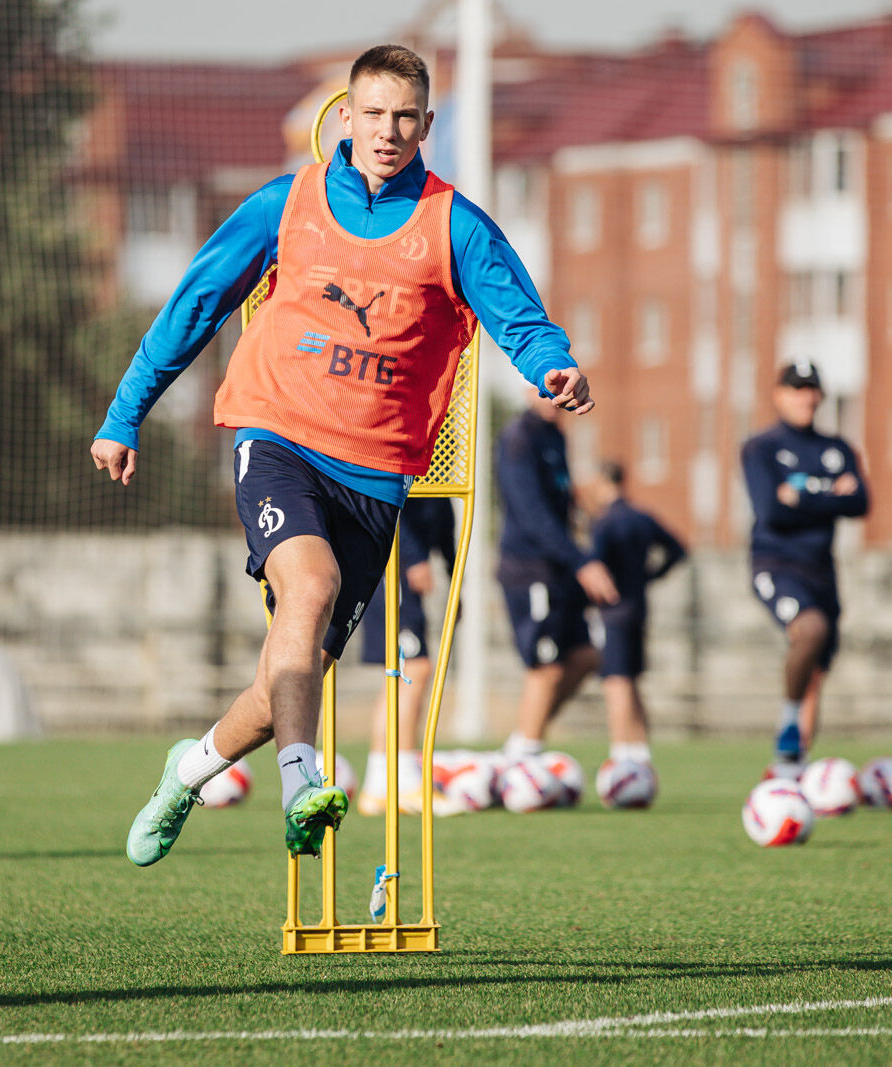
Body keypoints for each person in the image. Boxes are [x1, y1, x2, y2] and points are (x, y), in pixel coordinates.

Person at [91, 45, 595, 867]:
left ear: (427, 124)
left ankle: (188, 772)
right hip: (276, 433)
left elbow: (519, 317)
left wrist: (554, 367)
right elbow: (195, 304)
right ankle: (302, 784)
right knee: (311, 585)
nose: (388, 131)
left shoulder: (453, 224)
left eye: (405, 117)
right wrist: (125, 416)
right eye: (374, 115)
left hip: (376, 474)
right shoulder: (283, 204)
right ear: (347, 118)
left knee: (286, 678)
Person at [739, 360, 870, 779]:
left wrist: (802, 494)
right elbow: (771, 511)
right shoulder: (760, 447)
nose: (804, 397)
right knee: (809, 630)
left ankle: (792, 770)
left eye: (811, 388)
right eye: (796, 389)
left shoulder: (838, 449)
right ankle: (787, 725)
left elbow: (861, 503)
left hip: (822, 568)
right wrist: (830, 491)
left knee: (816, 666)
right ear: (779, 395)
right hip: (777, 563)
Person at [495, 394, 618, 762]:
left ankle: (520, 746)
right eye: (543, 388)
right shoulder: (519, 437)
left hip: (558, 571)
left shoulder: (556, 435)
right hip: (529, 569)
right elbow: (532, 514)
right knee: (545, 668)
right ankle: (524, 763)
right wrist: (581, 562)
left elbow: (560, 507)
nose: (551, 398)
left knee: (584, 657)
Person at [355, 495, 456, 816]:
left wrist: (454, 576)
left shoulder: (437, 463)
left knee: (401, 672)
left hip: (405, 573)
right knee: (413, 668)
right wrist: (412, 558)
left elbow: (443, 519)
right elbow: (389, 504)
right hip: (390, 566)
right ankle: (404, 780)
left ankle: (377, 785)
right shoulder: (406, 457)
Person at [586, 461, 686, 774]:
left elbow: (595, 564)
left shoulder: (604, 523)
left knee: (617, 681)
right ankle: (641, 751)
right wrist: (649, 576)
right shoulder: (641, 518)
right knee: (631, 679)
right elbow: (678, 550)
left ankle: (621, 755)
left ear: (604, 481)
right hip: (638, 606)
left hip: (613, 609)